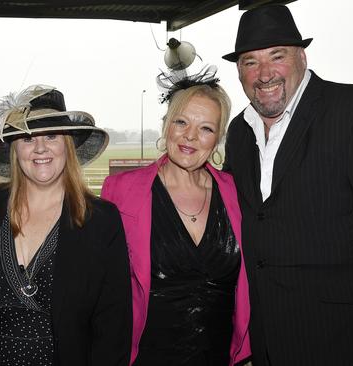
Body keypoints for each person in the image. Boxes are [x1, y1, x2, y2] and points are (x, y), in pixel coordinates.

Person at [222, 5, 353, 366]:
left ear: (301, 55)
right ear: (239, 71)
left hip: (345, 344)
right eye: (250, 61)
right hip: (267, 346)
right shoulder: (239, 131)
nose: (264, 73)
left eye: (276, 56)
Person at [0, 85, 131, 366]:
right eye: (28, 138)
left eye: (52, 136)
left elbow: (113, 326)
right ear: (14, 149)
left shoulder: (101, 221)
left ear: (67, 146)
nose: (40, 148)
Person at [101, 66, 251, 366]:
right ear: (167, 125)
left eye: (206, 128)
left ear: (218, 137)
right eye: (181, 122)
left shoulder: (237, 193)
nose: (190, 137)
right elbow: (102, 286)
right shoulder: (122, 190)